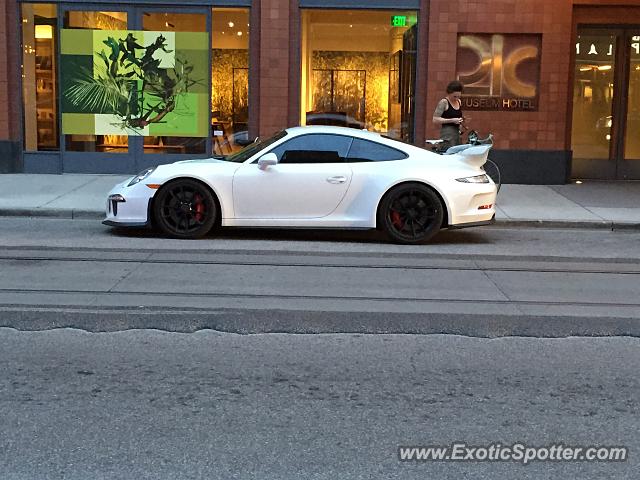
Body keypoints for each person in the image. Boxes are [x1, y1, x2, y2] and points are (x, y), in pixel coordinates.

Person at [432, 80, 465, 152]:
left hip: (457, 133)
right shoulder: (444, 102)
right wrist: (452, 120)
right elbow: (435, 119)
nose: (456, 98)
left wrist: (461, 122)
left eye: (458, 96)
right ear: (449, 93)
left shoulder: (459, 101)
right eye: (454, 96)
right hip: (447, 134)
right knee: (448, 152)